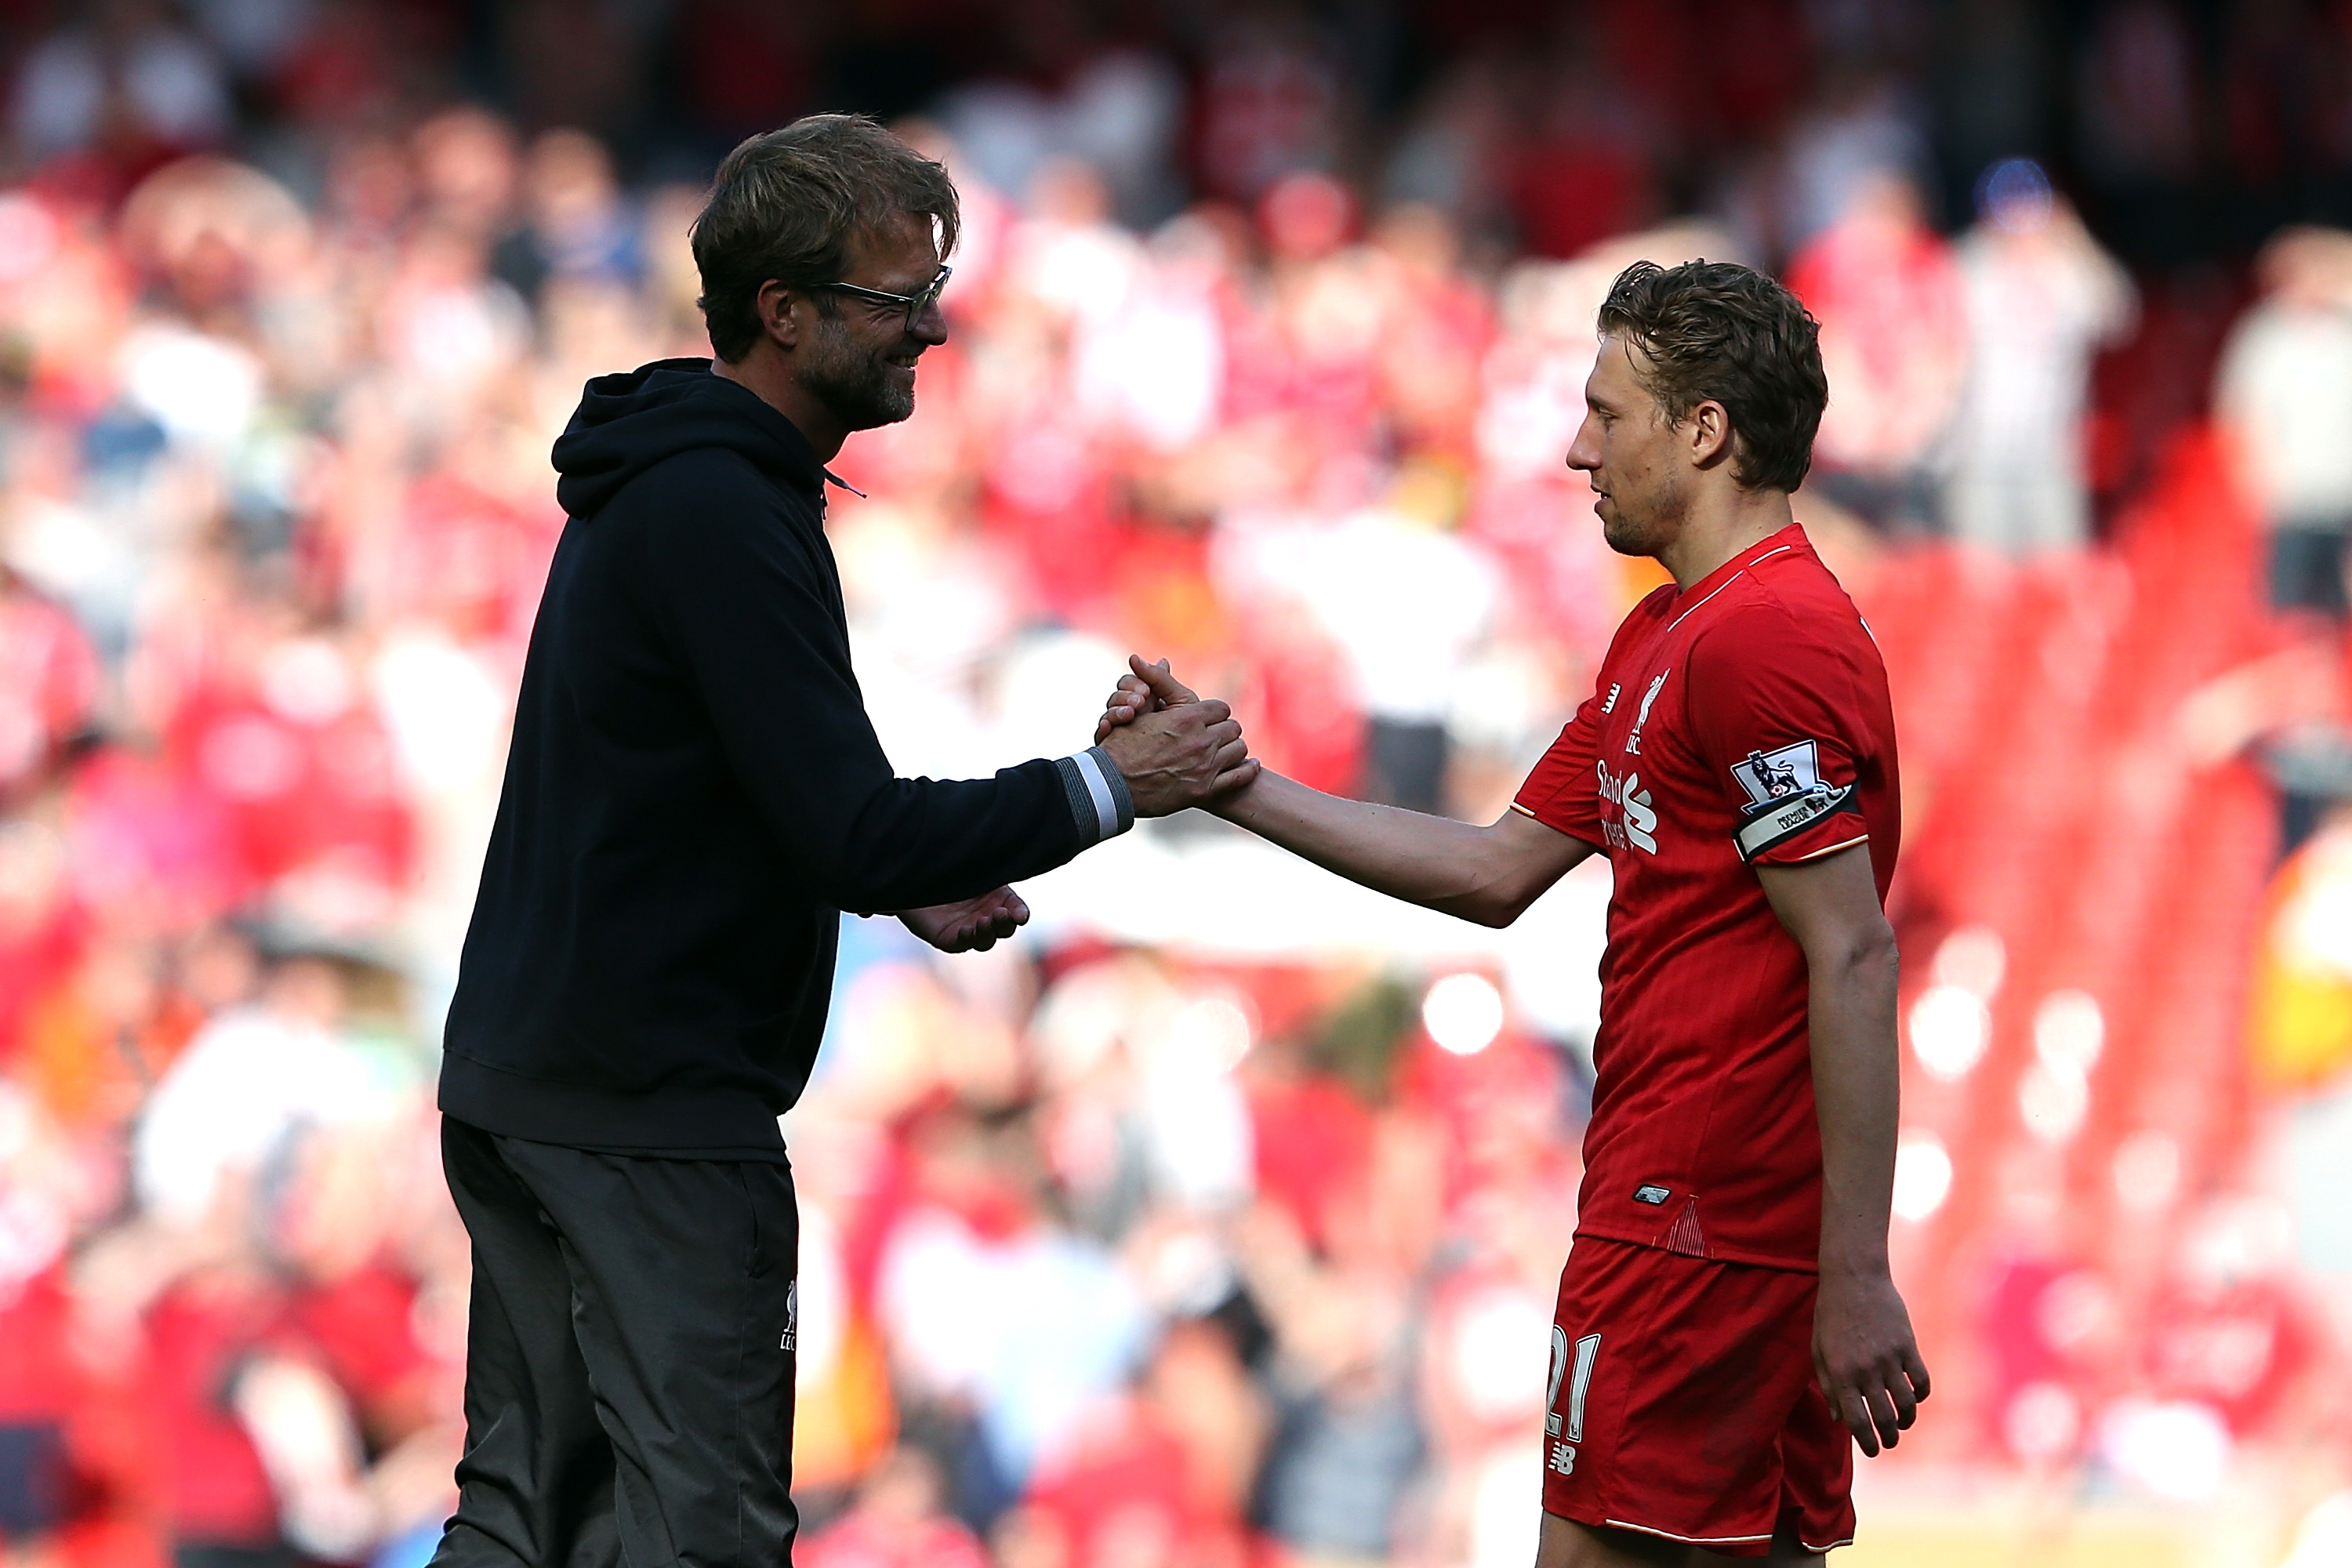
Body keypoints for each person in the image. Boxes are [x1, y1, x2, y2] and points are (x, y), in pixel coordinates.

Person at [426, 115, 1251, 1568]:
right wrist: (1114, 786)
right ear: (782, 310)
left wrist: (889, 874)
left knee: (530, 1526)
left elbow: (730, 791)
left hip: (543, 1078)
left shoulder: (679, 479)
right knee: (699, 1539)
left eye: (931, 289)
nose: (928, 327)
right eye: (894, 297)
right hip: (650, 1111)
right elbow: (855, 825)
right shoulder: (721, 504)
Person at [1099, 260, 1927, 1565]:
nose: (1575, 448)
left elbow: (1855, 952)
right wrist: (1234, 785)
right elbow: (1496, 872)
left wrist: (1857, 1270)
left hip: (1706, 1236)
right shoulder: (1665, 632)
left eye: (1608, 413)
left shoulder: (1769, 644)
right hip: (1669, 1219)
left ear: (1705, 431)